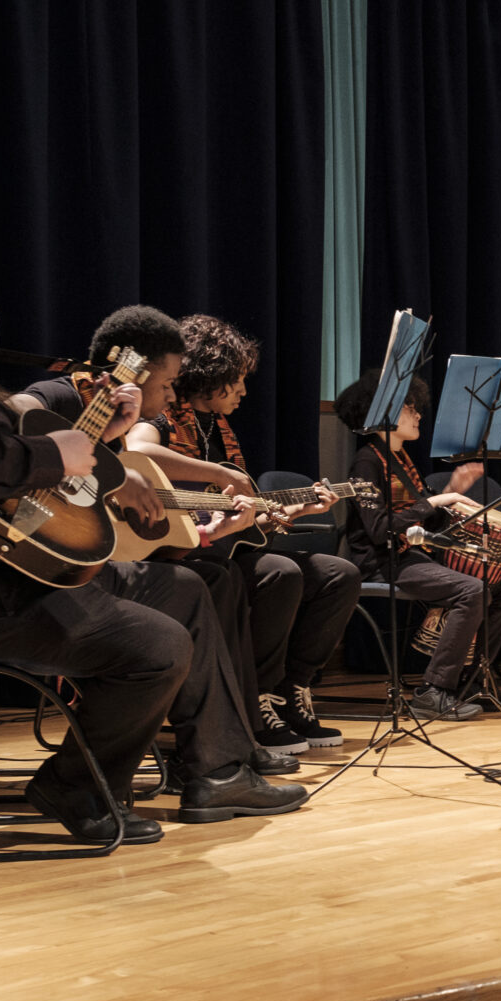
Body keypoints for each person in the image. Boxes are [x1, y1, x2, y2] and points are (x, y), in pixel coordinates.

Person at [0, 216, 302, 838]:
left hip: (1, 568)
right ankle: (76, 787)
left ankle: (218, 775)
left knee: (187, 591)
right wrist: (51, 456)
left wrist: (100, 440)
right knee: (157, 645)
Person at [13, 306, 306, 780]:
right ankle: (217, 761)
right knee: (200, 583)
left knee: (214, 577)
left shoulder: (117, 422)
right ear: (135, 372)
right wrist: (106, 467)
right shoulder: (61, 395)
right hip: (45, 571)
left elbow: (109, 508)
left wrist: (217, 529)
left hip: (93, 563)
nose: (172, 393)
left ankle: (232, 742)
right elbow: (12, 421)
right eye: (168, 382)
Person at [130, 313, 359, 752]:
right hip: (182, 550)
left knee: (337, 573)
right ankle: (256, 700)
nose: (243, 390)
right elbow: (137, 450)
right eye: (235, 380)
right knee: (279, 572)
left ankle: (292, 691)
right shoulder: (166, 416)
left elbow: (245, 514)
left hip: (230, 547)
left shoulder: (221, 428)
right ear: (210, 376)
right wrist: (216, 471)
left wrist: (293, 507)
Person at [336, 369, 501, 720]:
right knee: (473, 589)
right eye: (409, 407)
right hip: (384, 560)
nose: (418, 413)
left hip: (415, 553)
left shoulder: (401, 459)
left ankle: (472, 682)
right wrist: (435, 502)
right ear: (384, 412)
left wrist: (453, 493)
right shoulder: (366, 462)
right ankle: (434, 689)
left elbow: (421, 517)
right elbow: (379, 530)